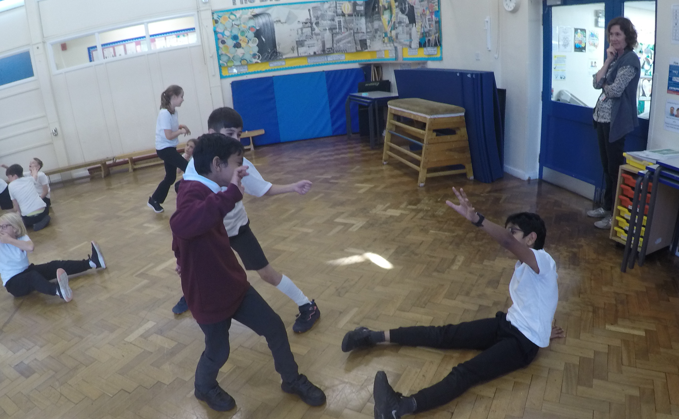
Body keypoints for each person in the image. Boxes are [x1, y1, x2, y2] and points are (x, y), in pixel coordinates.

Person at [342, 187, 564, 419]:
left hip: (522, 344)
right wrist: (544, 328)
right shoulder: (524, 265)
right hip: (507, 324)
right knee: (443, 334)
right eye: (508, 230)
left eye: (513, 231)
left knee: (466, 372)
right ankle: (371, 337)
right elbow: (543, 298)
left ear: (531, 238)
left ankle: (398, 407)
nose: (507, 236)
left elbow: (508, 242)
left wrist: (477, 219)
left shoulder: (544, 261)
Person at [170, 133, 326, 412]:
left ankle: (291, 380)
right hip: (207, 295)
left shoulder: (210, 187)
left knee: (274, 327)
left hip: (231, 282)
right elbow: (180, 224)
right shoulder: (192, 190)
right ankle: (203, 387)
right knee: (218, 350)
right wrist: (232, 192)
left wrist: (179, 255)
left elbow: (185, 231)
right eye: (236, 163)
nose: (241, 169)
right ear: (217, 164)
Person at [171, 107, 320, 334]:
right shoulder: (194, 166)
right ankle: (190, 296)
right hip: (209, 235)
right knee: (196, 271)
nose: (235, 139)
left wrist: (293, 187)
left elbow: (263, 189)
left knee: (267, 274)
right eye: (229, 134)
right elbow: (185, 215)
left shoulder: (238, 163)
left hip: (236, 229)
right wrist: (180, 254)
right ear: (211, 132)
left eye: (238, 135)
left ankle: (307, 305)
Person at [0, 213, 105, 303]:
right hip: (13, 284)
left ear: (15, 228)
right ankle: (58, 291)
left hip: (26, 270)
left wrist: (9, 240)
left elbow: (30, 248)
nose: (0, 229)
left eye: (4, 226)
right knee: (33, 277)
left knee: (54, 265)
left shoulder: (22, 238)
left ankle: (91, 263)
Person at [587, 17, 641, 230]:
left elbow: (615, 90)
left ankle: (614, 215)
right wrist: (607, 61)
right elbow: (595, 82)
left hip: (616, 121)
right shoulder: (615, 58)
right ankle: (606, 207)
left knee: (615, 169)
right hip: (602, 119)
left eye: (618, 34)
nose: (614, 38)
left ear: (627, 36)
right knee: (606, 166)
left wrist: (604, 84)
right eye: (611, 34)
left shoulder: (630, 60)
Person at [148, 85, 192, 213]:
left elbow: (171, 127)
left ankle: (154, 200)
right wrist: (181, 131)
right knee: (187, 167)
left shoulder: (173, 112)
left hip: (170, 148)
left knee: (171, 177)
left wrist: (182, 126)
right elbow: (168, 135)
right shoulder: (164, 113)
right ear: (174, 97)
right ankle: (192, 196)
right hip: (164, 149)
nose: (183, 99)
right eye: (181, 96)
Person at [6, 164, 50, 231]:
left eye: (9, 177)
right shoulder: (29, 179)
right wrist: (35, 170)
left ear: (15, 176)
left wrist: (20, 214)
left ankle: (30, 224)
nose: (8, 179)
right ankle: (42, 221)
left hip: (28, 218)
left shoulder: (10, 186)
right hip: (43, 213)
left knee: (21, 219)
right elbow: (35, 176)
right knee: (45, 209)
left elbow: (16, 204)